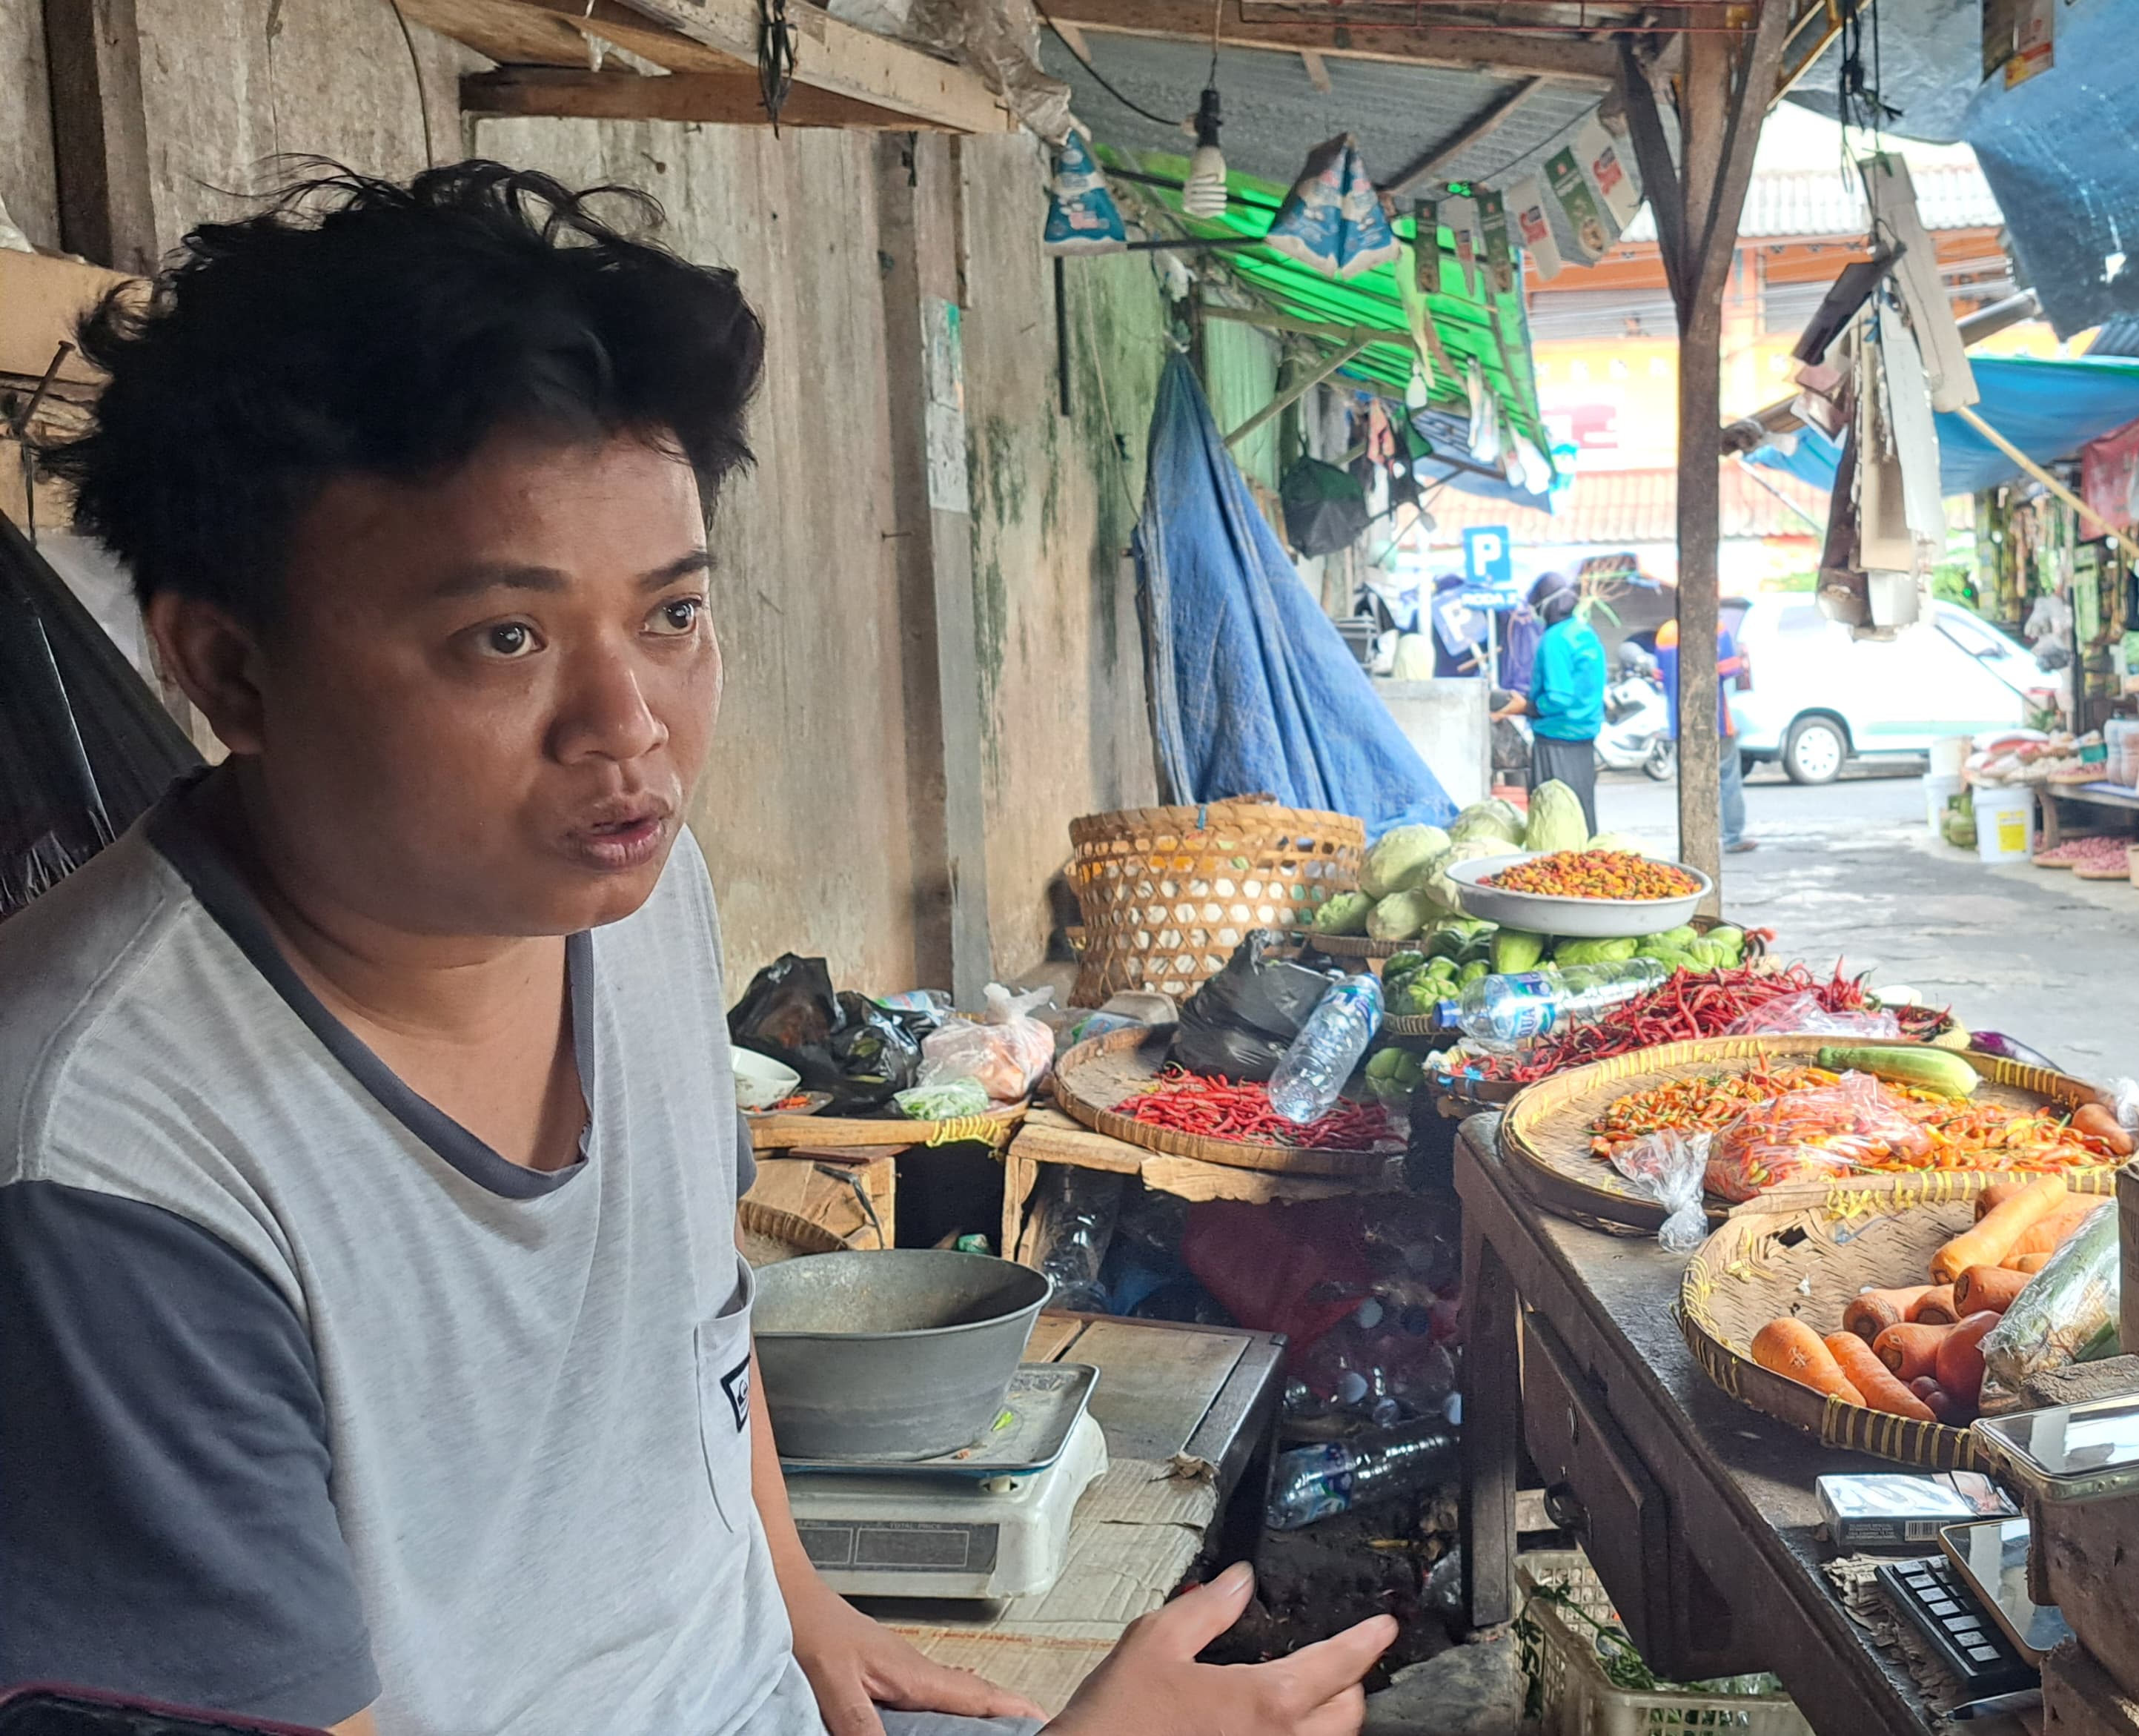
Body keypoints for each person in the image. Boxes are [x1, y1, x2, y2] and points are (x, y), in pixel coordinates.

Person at [0, 163, 1392, 1736]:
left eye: (669, 616)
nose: (632, 730)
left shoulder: (641, 898)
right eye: (506, 638)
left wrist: (795, 1605)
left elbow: (695, 1324)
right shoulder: (104, 1166)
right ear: (229, 668)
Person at [1491, 570, 1603, 832]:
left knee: (1555, 823)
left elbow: (1558, 698)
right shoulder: (1585, 632)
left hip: (1557, 743)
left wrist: (1526, 707)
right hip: (1584, 741)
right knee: (1582, 820)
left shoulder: (1554, 640)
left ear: (1546, 605)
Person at [1652, 610, 1754, 852]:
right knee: (1727, 777)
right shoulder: (1715, 628)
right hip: (1715, 718)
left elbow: (1660, 678)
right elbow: (1729, 669)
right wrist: (1740, 658)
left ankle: (1695, 839)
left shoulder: (1665, 633)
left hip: (1680, 722)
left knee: (1692, 781)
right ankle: (1732, 836)